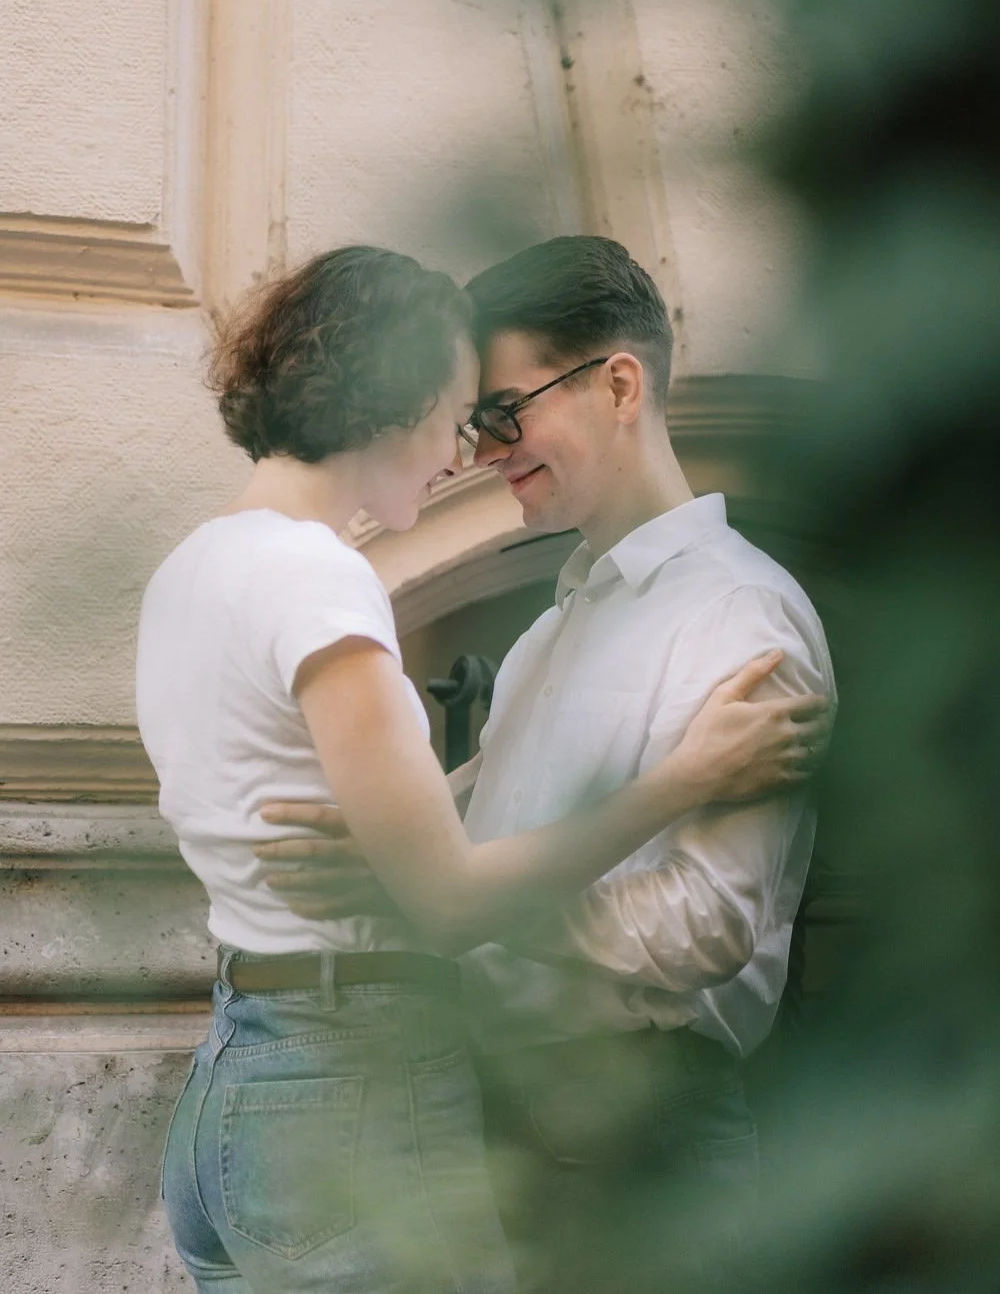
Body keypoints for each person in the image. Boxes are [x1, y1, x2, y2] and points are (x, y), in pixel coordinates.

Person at [136, 244, 826, 1294]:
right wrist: (412, 856)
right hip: (487, 1115)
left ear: (619, 386)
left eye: (503, 411)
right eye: (469, 417)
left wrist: (434, 901)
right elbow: (490, 816)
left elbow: (707, 923)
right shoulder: (550, 630)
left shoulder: (741, 616)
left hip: (635, 1139)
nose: (480, 449)